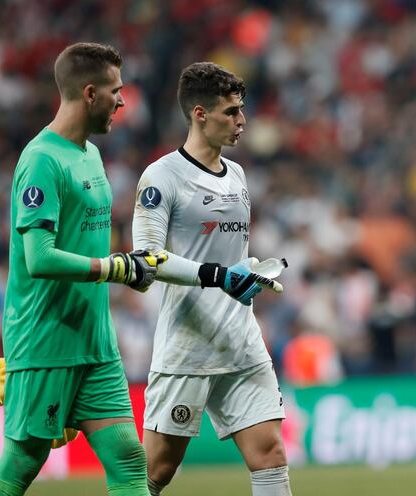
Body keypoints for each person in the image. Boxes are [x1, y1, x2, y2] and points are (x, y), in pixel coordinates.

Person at [0, 42, 167, 496]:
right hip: (45, 339)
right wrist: (115, 269)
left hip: (95, 341)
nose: (123, 101)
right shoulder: (42, 160)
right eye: (116, 91)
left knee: (128, 457)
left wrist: (129, 266)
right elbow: (39, 258)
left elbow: (89, 241)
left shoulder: (91, 155)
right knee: (24, 461)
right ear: (89, 93)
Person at [132, 62, 292, 496]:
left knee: (271, 455)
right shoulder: (162, 177)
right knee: (156, 472)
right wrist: (220, 276)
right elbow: (147, 260)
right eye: (231, 112)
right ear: (200, 114)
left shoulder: (237, 175)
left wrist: (248, 272)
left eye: (242, 110)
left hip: (241, 339)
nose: (242, 121)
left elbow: (227, 254)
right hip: (188, 345)